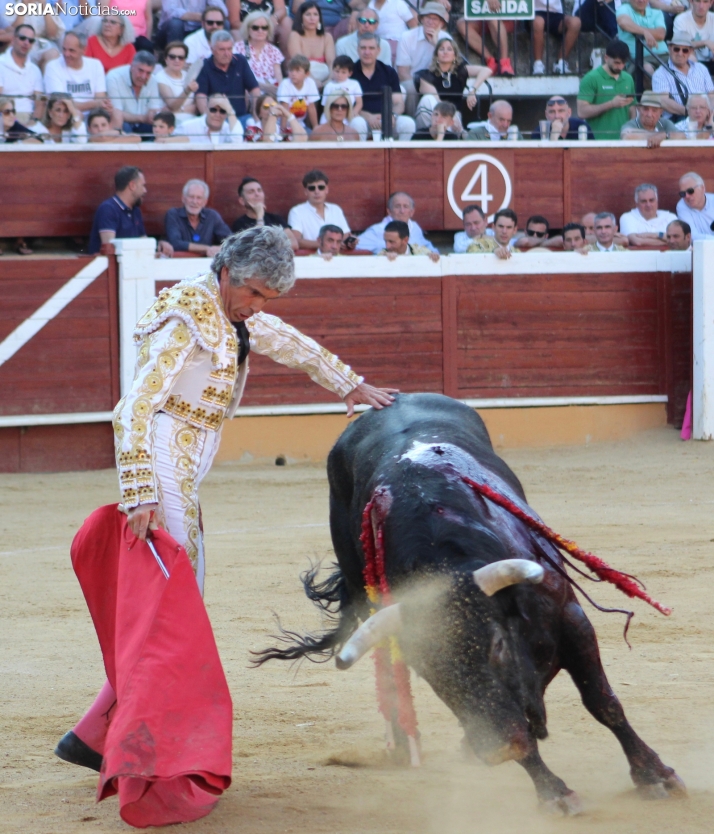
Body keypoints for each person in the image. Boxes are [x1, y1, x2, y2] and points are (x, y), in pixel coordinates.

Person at [55, 225, 398, 774]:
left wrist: (350, 384)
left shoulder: (231, 310)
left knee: (177, 601)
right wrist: (140, 491)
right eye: (254, 292)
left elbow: (287, 340)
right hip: (163, 458)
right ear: (228, 272)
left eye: (267, 297)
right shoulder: (189, 313)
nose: (257, 306)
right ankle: (117, 735)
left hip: (185, 463)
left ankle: (96, 732)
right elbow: (133, 408)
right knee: (178, 601)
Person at [88, 166, 174, 256]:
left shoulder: (135, 210)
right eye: (143, 185)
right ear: (132, 186)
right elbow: (110, 249)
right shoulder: (108, 209)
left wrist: (158, 246)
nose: (145, 190)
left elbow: (143, 242)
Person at [414, 37, 491, 128]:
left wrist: (472, 91)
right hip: (434, 115)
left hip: (454, 116)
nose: (445, 52)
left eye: (449, 49)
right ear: (436, 55)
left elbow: (487, 70)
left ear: (454, 55)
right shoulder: (426, 75)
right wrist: (449, 116)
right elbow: (437, 102)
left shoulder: (460, 72)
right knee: (427, 99)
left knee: (453, 120)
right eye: (441, 49)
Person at [351, 32, 416, 140]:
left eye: (371, 48)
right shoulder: (350, 72)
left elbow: (398, 103)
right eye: (363, 48)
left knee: (408, 124)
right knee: (357, 123)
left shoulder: (389, 72)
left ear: (378, 50)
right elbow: (348, 105)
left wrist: (391, 116)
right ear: (358, 50)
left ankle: (400, 152)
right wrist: (368, 117)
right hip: (362, 119)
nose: (367, 52)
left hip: (387, 119)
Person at [396, 3, 455, 112]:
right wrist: (419, 85)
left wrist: (436, 45)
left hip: (436, 79)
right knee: (410, 87)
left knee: (447, 85)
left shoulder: (446, 38)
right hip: (412, 80)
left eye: (435, 19)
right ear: (422, 19)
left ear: (441, 23)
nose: (430, 21)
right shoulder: (407, 37)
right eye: (427, 17)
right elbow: (402, 72)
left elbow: (452, 65)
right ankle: (413, 120)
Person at [196, 30, 260, 125]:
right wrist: (209, 122)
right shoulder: (204, 66)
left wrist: (255, 114)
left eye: (229, 49)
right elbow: (201, 97)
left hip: (242, 117)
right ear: (212, 49)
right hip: (218, 121)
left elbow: (254, 89)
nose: (227, 53)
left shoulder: (240, 61)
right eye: (222, 49)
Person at [577, 38, 635, 140]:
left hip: (624, 141)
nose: (620, 67)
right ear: (606, 58)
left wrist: (632, 129)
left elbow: (632, 107)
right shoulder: (591, 78)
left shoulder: (628, 78)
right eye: (617, 63)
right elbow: (582, 112)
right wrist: (611, 104)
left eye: (624, 63)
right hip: (598, 141)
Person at [43, 32, 109, 116]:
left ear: (84, 50)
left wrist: (99, 104)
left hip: (92, 117)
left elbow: (100, 99)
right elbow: (61, 104)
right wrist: (94, 104)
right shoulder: (53, 66)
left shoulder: (96, 65)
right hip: (65, 116)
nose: (66, 54)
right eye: (64, 49)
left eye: (71, 50)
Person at [165, 179, 233, 256]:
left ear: (205, 202)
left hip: (207, 262)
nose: (194, 201)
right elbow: (175, 243)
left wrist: (218, 249)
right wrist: (207, 249)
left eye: (199, 198)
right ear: (183, 199)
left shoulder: (212, 216)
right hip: (180, 261)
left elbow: (231, 241)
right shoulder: (173, 214)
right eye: (191, 197)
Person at [288, 168, 351, 250]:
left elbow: (346, 234)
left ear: (326, 190)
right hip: (312, 256)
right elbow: (296, 240)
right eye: (312, 188)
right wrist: (325, 245)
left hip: (337, 255)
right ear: (306, 191)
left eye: (321, 187)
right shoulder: (297, 212)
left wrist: (350, 242)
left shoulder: (336, 209)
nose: (317, 191)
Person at [232, 177, 299, 252]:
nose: (257, 194)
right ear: (242, 201)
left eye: (259, 190)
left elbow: (294, 243)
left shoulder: (275, 219)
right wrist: (259, 216)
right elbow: (255, 248)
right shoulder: (239, 224)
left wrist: (267, 248)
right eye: (251, 192)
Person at [652, 36, 714, 117]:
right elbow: (664, 101)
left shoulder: (701, 68)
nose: (680, 53)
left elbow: (711, 95)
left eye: (685, 50)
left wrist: (709, 113)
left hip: (706, 116)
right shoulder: (660, 73)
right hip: (679, 117)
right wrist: (692, 113)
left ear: (690, 51)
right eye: (676, 49)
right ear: (669, 49)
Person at [357, 191, 437, 254]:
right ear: (389, 211)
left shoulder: (415, 228)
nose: (402, 211)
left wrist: (433, 254)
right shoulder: (377, 230)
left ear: (412, 212)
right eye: (397, 206)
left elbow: (427, 247)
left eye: (405, 206)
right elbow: (355, 246)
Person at [107, 51, 164, 135]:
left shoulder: (153, 80)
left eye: (148, 73)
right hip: (123, 124)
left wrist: (152, 114)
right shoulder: (114, 77)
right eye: (140, 70)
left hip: (144, 125)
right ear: (131, 66)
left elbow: (154, 108)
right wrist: (143, 118)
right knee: (124, 126)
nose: (143, 76)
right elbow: (115, 112)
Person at [0, 24, 44, 122]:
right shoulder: (1, 64)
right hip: (5, 117)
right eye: (22, 38)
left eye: (30, 40)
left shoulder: (35, 70)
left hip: (29, 118)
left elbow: (39, 104)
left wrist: (33, 123)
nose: (26, 43)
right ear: (13, 40)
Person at [234, 11, 284, 96]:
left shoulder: (274, 50)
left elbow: (279, 78)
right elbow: (238, 76)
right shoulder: (238, 48)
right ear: (248, 29)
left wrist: (277, 88)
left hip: (270, 91)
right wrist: (262, 87)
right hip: (247, 90)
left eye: (264, 27)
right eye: (255, 27)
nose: (260, 31)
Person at [287, 1, 335, 88]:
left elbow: (331, 62)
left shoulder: (327, 37)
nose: (312, 18)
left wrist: (329, 80)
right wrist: (313, 81)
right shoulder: (295, 36)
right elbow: (299, 63)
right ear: (301, 18)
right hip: (302, 81)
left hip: (326, 82)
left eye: (315, 14)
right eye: (308, 14)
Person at [529, 0, 581, 75]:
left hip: (556, 13)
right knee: (538, 22)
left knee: (575, 22)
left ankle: (560, 62)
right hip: (535, 11)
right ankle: (538, 64)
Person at [616, 0, 667, 75]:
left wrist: (641, 31)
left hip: (664, 55)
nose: (641, 0)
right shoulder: (624, 8)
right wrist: (644, 32)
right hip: (639, 60)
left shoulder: (656, 12)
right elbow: (624, 23)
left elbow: (661, 34)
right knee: (647, 69)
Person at [177, 91, 245, 141]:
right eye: (213, 110)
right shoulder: (187, 127)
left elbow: (237, 142)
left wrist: (230, 110)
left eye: (222, 111)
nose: (217, 115)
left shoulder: (229, 129)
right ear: (206, 109)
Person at [156, 41, 198, 117]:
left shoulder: (187, 75)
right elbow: (172, 105)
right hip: (170, 120)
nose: (177, 60)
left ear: (185, 60)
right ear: (166, 59)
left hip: (191, 119)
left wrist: (180, 110)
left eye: (181, 58)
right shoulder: (160, 77)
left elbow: (196, 106)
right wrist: (187, 90)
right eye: (172, 57)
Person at [158, 0, 229, 45]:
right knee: (176, 24)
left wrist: (209, 17)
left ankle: (221, 53)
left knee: (224, 23)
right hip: (172, 29)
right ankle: (175, 54)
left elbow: (223, 11)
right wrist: (203, 17)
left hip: (198, 27)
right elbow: (170, 11)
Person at [277, 53, 319, 127]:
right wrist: (283, 130)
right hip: (283, 124)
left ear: (307, 73)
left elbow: (311, 107)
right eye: (291, 70)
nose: (293, 74)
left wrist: (316, 127)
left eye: (297, 70)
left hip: (300, 124)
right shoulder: (285, 84)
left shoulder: (310, 83)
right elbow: (284, 108)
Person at [673, 0, 714, 71]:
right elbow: (679, 44)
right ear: (691, 1)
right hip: (691, 62)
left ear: (711, 3)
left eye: (705, 2)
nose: (701, 6)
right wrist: (705, 42)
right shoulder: (681, 20)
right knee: (689, 56)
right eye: (698, 1)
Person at [676, 171, 714, 239]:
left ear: (702, 188)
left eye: (690, 191)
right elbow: (691, 235)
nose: (687, 196)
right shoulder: (682, 206)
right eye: (683, 193)